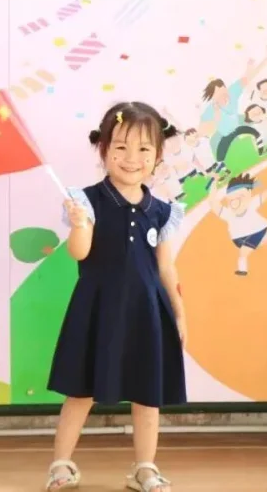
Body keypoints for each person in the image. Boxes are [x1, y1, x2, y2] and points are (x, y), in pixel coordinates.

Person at [45, 103, 187, 492]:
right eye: (121, 147)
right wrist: (79, 224)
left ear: (158, 155)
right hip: (97, 310)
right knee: (81, 391)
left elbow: (166, 268)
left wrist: (179, 313)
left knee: (148, 395)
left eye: (144, 149)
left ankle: (145, 469)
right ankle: (61, 464)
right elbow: (79, 252)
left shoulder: (162, 210)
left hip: (147, 313)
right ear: (104, 149)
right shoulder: (86, 201)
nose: (131, 158)